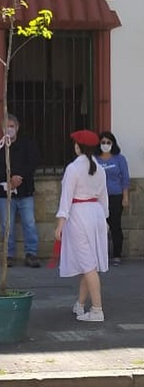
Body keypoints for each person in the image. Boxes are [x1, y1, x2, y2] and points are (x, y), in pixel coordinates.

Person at [54, 130, 109, 322]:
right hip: (96, 214)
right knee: (90, 263)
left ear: (78, 146)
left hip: (79, 215)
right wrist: (105, 220)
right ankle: (80, 304)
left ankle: (97, 309)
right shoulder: (100, 169)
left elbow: (66, 198)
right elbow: (104, 198)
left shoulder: (73, 168)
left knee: (88, 265)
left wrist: (60, 223)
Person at [0, 114, 41, 268]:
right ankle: (8, 255)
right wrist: (9, 178)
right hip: (4, 194)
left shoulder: (28, 145)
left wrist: (19, 177)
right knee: (7, 225)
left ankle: (31, 253)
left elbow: (33, 162)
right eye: (7, 126)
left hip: (25, 192)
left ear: (17, 127)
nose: (9, 129)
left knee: (29, 223)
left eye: (12, 126)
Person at [95, 131, 130, 267]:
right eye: (103, 142)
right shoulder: (95, 159)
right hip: (98, 198)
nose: (105, 145)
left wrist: (125, 197)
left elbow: (125, 179)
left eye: (108, 142)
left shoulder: (119, 159)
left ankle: (116, 255)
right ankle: (101, 254)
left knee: (115, 225)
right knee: (100, 227)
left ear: (113, 144)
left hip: (115, 196)